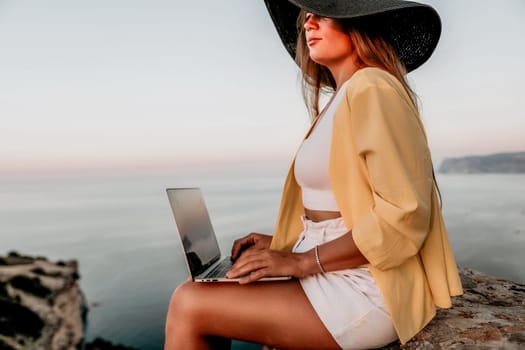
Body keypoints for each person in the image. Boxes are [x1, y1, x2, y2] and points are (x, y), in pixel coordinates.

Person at [164, 0, 463, 349]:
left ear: (358, 24)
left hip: (366, 287)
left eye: (322, 14)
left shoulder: (372, 88)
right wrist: (281, 243)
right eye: (307, 16)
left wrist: (300, 261)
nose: (309, 23)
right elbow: (343, 208)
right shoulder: (343, 97)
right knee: (207, 291)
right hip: (334, 270)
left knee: (188, 303)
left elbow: (403, 216)